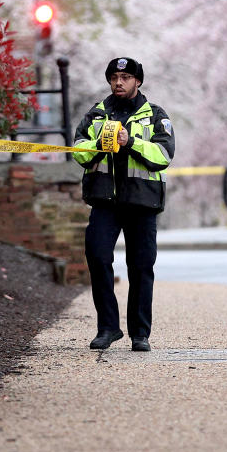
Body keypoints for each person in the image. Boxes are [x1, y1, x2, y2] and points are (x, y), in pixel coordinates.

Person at [71, 57, 175, 352]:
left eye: (126, 77)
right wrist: (97, 146)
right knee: (98, 256)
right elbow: (77, 149)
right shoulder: (96, 114)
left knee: (141, 267)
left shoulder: (155, 115)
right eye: (114, 77)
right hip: (105, 201)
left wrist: (130, 142)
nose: (119, 82)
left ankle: (140, 333)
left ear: (137, 81)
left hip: (142, 203)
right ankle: (108, 328)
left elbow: (164, 154)